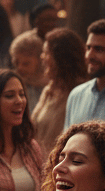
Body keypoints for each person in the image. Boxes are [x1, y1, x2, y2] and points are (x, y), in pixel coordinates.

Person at [30, 27, 86, 155]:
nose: (42, 57)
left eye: (46, 53)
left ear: (60, 58)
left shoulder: (79, 93)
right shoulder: (49, 90)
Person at [9, 31, 47, 110]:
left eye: (26, 64)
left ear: (39, 62)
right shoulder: (11, 86)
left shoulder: (50, 88)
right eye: (16, 63)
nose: (20, 68)